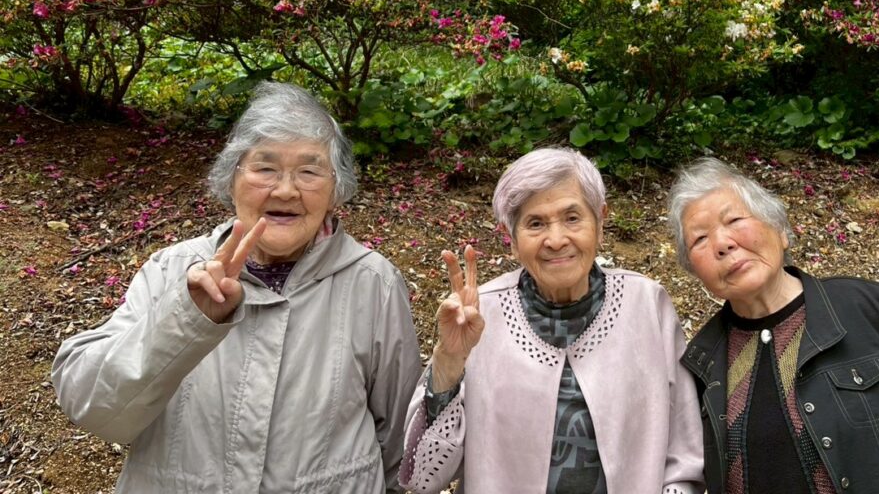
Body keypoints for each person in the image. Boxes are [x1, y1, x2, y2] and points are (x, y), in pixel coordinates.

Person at [52, 82, 422, 493]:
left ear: (336, 190)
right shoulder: (172, 270)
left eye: (309, 171)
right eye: (265, 168)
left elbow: (400, 442)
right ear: (231, 180)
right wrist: (187, 318)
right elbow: (94, 408)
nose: (285, 190)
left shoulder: (374, 284)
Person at [667, 158, 879, 494]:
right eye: (700, 239)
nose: (722, 243)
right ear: (694, 270)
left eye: (733, 220)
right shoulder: (704, 361)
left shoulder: (871, 309)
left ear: (780, 230)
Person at [400, 146, 704, 493]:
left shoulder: (647, 304)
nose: (556, 240)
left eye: (572, 218)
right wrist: (449, 361)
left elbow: (685, 456)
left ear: (600, 222)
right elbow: (423, 478)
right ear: (513, 240)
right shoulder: (477, 314)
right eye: (535, 223)